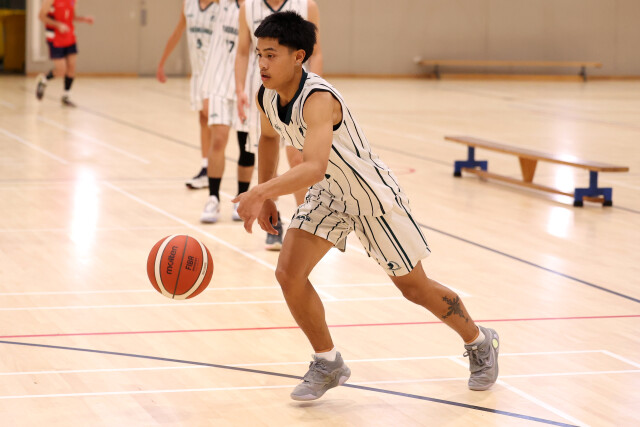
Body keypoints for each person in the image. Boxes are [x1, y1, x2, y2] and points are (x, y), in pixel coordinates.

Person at [233, 11, 500, 401]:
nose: (261, 64)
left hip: (372, 198)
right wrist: (268, 193)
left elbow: (313, 166)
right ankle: (327, 362)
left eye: (271, 55)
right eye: (259, 54)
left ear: (298, 56)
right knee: (288, 273)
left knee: (415, 288)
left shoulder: (318, 99)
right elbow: (270, 138)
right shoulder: (266, 95)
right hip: (329, 196)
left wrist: (258, 193)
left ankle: (479, 340)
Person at [235, 0, 322, 250]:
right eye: (261, 54)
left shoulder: (307, 6)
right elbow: (242, 51)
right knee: (269, 154)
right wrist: (239, 88)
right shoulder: (248, 7)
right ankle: (277, 222)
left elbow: (317, 52)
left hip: (298, 89)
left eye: (269, 54)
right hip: (268, 87)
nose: (262, 59)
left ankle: (305, 219)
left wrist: (315, 89)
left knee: (298, 160)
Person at [198, 0, 254, 223]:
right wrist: (205, 90)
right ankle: (213, 198)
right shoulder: (224, 4)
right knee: (218, 140)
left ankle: (241, 199)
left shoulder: (257, 8)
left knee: (246, 146)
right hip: (220, 84)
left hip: (248, 85)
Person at [157, 0, 218, 190]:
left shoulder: (222, 6)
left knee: (213, 119)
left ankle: (215, 169)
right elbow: (177, 32)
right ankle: (206, 167)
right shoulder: (188, 4)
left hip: (216, 73)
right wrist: (162, 63)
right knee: (203, 118)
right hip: (198, 73)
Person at [35, 0, 94, 107]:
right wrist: (58, 25)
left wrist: (84, 19)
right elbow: (41, 16)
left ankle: (66, 96)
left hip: (69, 36)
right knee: (61, 70)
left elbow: (72, 17)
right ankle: (43, 80)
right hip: (55, 38)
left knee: (71, 67)